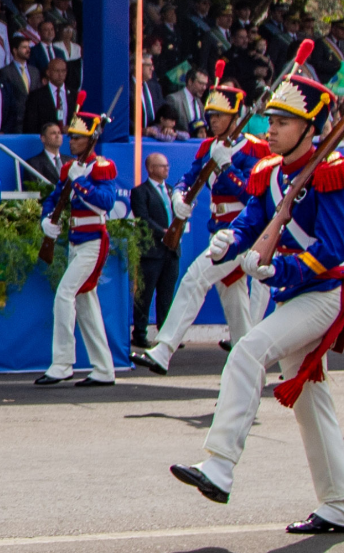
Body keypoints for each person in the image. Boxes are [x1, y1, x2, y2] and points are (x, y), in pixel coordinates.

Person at [167, 73, 344, 535]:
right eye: (271, 119)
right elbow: (253, 220)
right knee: (311, 402)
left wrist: (283, 270)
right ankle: (339, 503)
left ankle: (219, 464)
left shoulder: (332, 171)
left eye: (283, 121)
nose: (271, 127)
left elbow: (333, 249)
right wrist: (229, 240)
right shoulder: (271, 174)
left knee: (247, 350)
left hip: (323, 294)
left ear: (310, 126)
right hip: (295, 294)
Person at [128, 79, 274, 374]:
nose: (212, 120)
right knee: (237, 309)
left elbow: (253, 194)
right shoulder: (208, 146)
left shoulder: (256, 149)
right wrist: (179, 197)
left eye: (219, 115)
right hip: (216, 231)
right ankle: (250, 370)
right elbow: (189, 178)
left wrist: (228, 168)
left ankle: (164, 349)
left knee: (195, 278)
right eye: (211, 115)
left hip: (242, 234)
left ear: (236, 116)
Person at [33, 98, 125, 387]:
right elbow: (55, 197)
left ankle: (62, 363)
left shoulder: (102, 167)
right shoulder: (70, 168)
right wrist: (48, 217)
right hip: (76, 241)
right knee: (86, 303)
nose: (71, 141)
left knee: (65, 294)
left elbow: (106, 202)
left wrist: (82, 183)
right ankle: (103, 369)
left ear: (91, 140)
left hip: (94, 241)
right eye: (70, 136)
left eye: (77, 137)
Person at [130, 151, 180, 348]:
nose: (166, 169)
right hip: (152, 251)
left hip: (172, 250)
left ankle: (165, 334)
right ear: (151, 168)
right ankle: (140, 333)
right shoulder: (140, 192)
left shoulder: (170, 190)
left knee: (167, 294)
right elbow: (142, 219)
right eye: (162, 166)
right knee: (145, 294)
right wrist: (163, 233)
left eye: (167, 166)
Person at [19, 56, 70, 137]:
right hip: (44, 142)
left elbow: (77, 116)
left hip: (68, 141)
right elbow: (30, 126)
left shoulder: (74, 95)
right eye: (57, 71)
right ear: (48, 72)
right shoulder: (36, 96)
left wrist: (71, 128)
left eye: (63, 71)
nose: (60, 74)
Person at [165, 69, 206, 136]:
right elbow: (167, 128)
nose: (204, 88)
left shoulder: (200, 103)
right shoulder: (174, 100)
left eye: (205, 84)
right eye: (200, 83)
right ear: (190, 81)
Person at [22, 121, 61, 187]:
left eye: (59, 133)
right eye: (53, 133)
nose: (57, 136)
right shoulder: (33, 164)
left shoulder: (70, 161)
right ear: (43, 138)